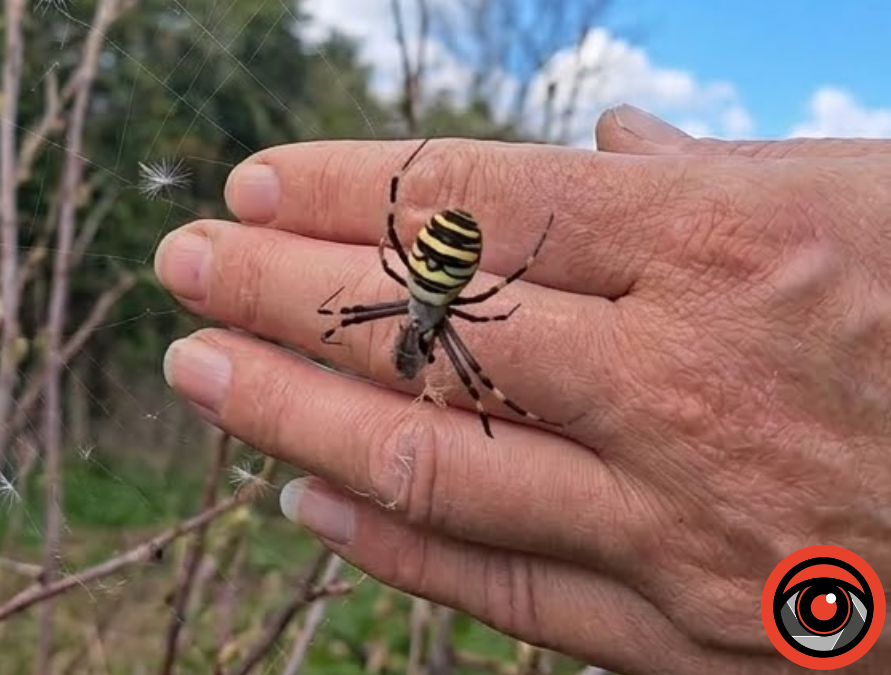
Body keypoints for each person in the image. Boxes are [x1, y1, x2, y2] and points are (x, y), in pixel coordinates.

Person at [153, 104, 891, 674]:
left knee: (422, 349)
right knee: (456, 367)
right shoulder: (455, 308)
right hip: (441, 281)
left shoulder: (424, 296)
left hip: (433, 280)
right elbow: (476, 295)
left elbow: (456, 286)